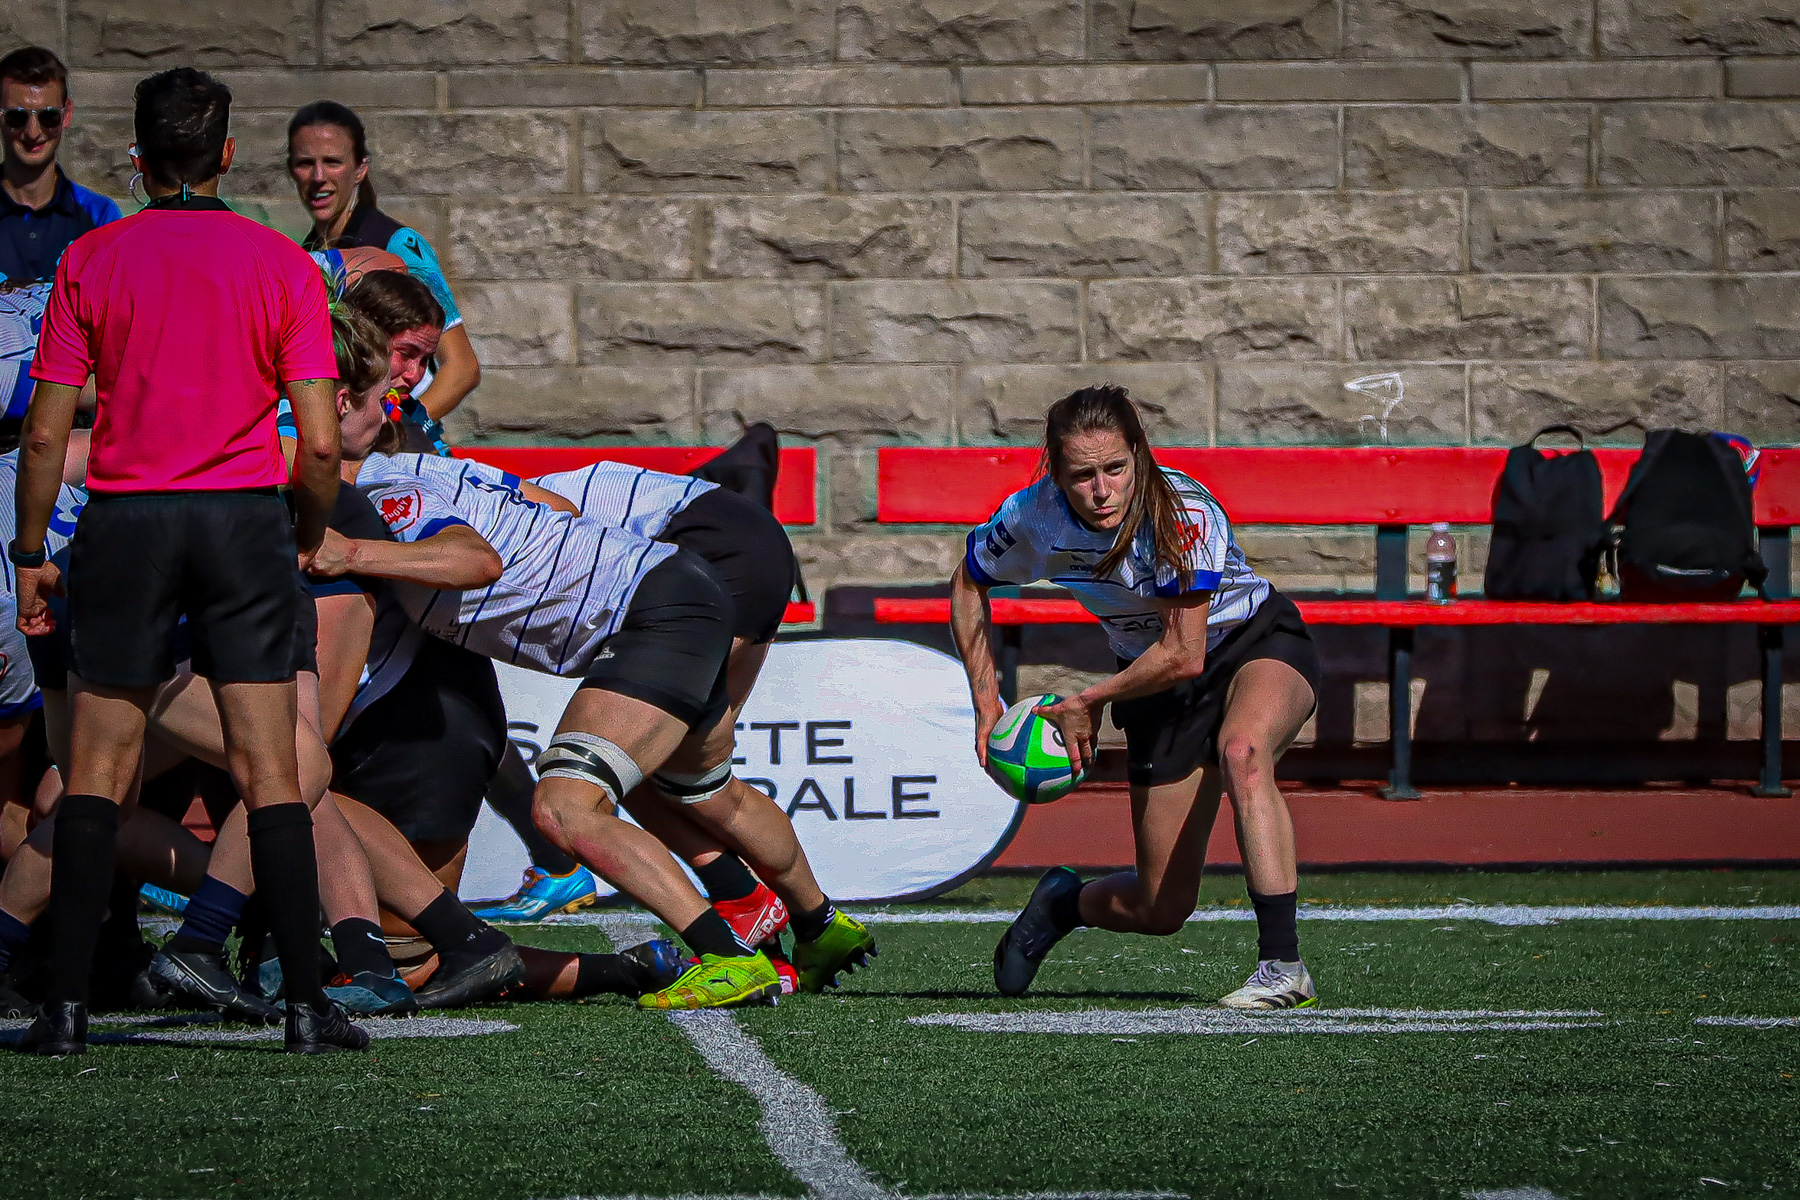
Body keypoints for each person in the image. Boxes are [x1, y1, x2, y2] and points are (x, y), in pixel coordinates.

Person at [11, 68, 364, 1054]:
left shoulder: (92, 257)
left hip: (126, 521)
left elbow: (45, 439)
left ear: (136, 156)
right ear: (225, 154)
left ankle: (67, 1011)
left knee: (94, 770)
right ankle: (304, 1004)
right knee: (269, 770)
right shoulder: (281, 264)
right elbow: (324, 443)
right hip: (242, 520)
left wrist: (30, 551)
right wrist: (301, 531)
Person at [372, 448, 878, 992]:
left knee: (596, 794)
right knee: (697, 782)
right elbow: (552, 506)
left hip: (697, 555)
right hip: (730, 546)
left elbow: (530, 537)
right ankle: (816, 921)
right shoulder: (463, 478)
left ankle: (741, 928)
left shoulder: (397, 490)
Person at [951, 385, 1323, 1010]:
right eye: (1082, 475)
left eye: (1115, 469)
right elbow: (968, 581)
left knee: (1244, 750)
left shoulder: (1182, 513)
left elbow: (1186, 651)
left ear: (1140, 455)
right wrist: (987, 702)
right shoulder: (1032, 517)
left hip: (1250, 640)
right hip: (1154, 684)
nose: (1101, 491)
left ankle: (1282, 967)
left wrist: (1088, 701)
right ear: (1055, 473)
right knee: (1159, 907)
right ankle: (1063, 904)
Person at [288, 101, 478, 444]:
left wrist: (397, 431)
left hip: (397, 450)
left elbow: (462, 368)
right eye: (305, 163)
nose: (318, 177)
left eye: (332, 161)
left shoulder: (399, 245)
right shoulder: (305, 257)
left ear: (360, 169)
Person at [0, 47, 119, 283]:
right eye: (17, 117)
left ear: (66, 115)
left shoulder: (99, 216)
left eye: (48, 117)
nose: (33, 133)